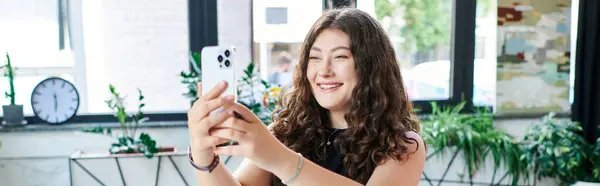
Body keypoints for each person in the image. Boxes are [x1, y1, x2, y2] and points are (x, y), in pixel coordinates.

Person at [187, 8, 426, 186]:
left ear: (371, 67)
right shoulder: (285, 131)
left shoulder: (402, 145)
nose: (324, 71)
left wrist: (279, 158)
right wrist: (203, 154)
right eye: (315, 58)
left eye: (340, 57)